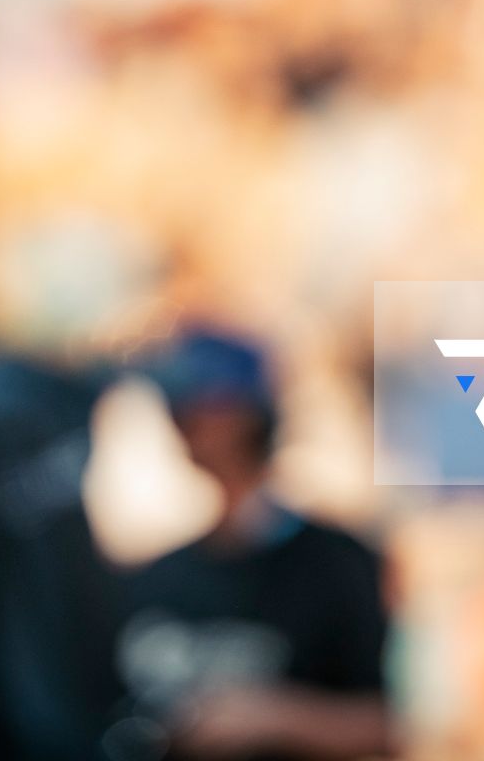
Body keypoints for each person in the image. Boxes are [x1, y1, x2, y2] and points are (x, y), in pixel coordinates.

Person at [113, 325, 393, 761]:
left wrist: (274, 717)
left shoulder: (334, 566)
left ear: (244, 414)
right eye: (173, 407)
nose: (179, 422)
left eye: (195, 406)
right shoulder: (158, 576)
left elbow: (392, 723)